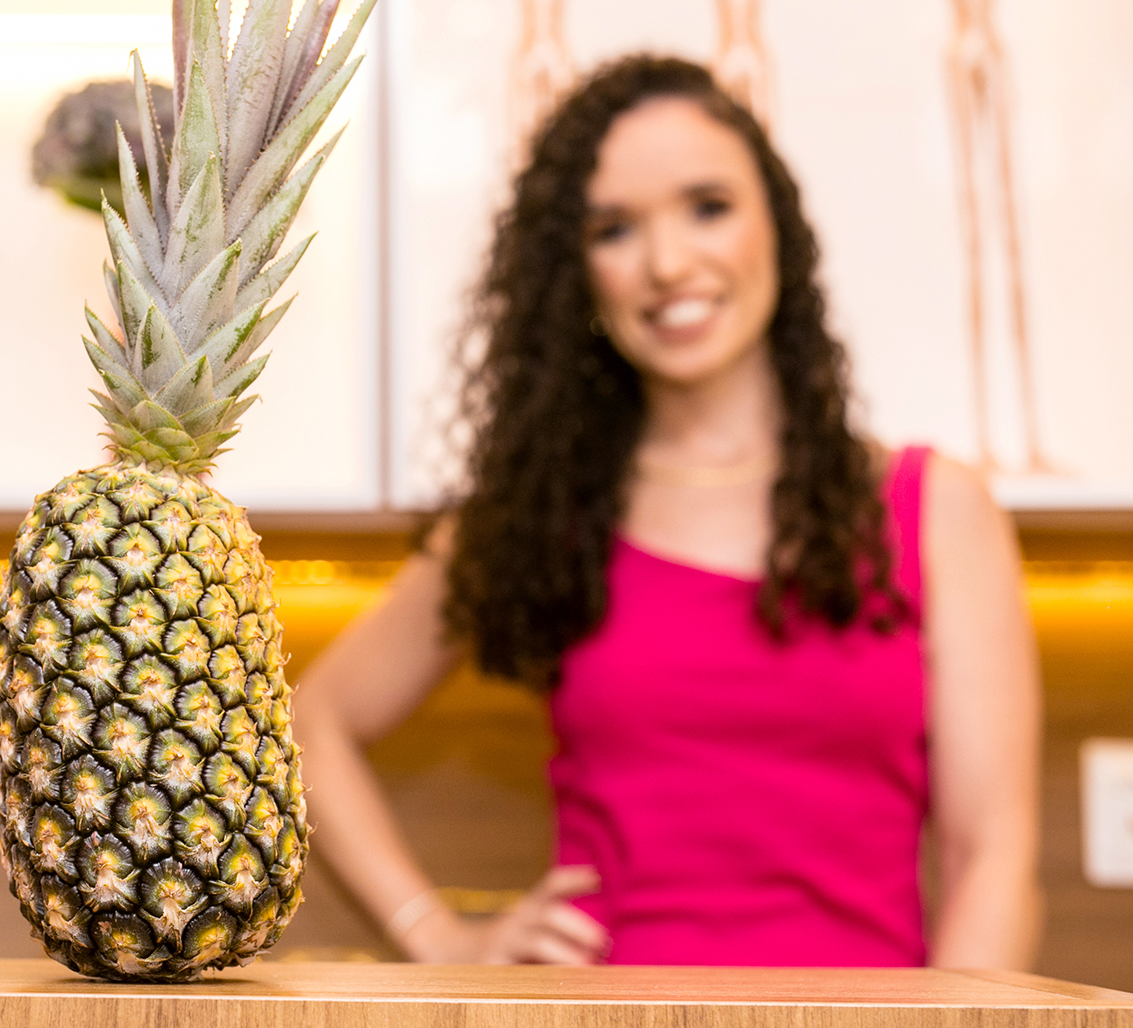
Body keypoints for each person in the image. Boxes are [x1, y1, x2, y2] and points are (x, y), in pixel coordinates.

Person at [293, 55, 1041, 967]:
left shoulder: (935, 511)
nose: (668, 263)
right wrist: (440, 939)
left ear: (777, 223)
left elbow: (992, 860)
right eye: (613, 228)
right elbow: (310, 722)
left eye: (708, 207)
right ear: (576, 273)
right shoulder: (537, 515)